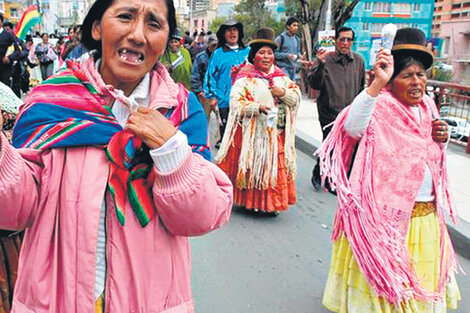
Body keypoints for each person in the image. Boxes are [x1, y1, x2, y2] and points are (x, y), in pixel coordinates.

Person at [0, 0, 233, 311]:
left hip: (151, 300)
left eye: (154, 24)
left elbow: (201, 217)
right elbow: (16, 209)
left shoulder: (181, 111)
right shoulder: (50, 102)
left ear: (165, 39)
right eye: (125, 16)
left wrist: (171, 153)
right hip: (54, 300)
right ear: (97, 28)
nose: (138, 34)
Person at [318, 28, 461, 312]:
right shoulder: (380, 104)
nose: (417, 82)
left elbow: (428, 152)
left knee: (418, 283)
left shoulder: (429, 107)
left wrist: (441, 141)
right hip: (383, 219)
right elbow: (352, 128)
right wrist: (375, 85)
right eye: (407, 75)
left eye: (421, 74)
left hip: (424, 215)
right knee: (384, 284)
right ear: (392, 80)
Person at [216, 27, 300, 215]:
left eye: (269, 53)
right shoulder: (245, 78)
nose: (266, 56)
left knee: (273, 169)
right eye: (261, 52)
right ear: (254, 55)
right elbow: (236, 103)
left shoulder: (281, 78)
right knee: (253, 167)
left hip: (275, 133)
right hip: (252, 135)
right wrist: (256, 108)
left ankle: (270, 205)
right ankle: (252, 202)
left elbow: (296, 97)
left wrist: (283, 93)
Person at [307, 26, 365, 191]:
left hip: (351, 112)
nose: (345, 43)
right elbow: (314, 84)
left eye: (349, 39)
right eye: (342, 39)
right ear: (335, 41)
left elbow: (362, 88)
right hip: (329, 111)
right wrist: (320, 63)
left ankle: (340, 177)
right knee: (331, 145)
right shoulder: (326, 58)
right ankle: (321, 175)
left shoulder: (359, 61)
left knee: (350, 147)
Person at [204, 18, 250, 144]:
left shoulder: (248, 52)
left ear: (239, 33)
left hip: (246, 101)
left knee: (244, 137)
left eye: (235, 29)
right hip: (225, 101)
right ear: (224, 34)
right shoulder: (218, 53)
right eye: (228, 30)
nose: (232, 33)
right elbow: (209, 76)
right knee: (227, 138)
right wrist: (212, 97)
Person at [191, 34, 218, 121]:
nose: (215, 47)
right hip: (205, 94)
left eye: (218, 45)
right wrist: (199, 91)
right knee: (205, 119)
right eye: (213, 45)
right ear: (208, 45)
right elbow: (195, 75)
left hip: (219, 95)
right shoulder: (200, 57)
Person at [0, 14, 20, 86]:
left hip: (5, 67)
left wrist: (9, 57)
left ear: (1, 22)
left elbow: (17, 50)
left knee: (4, 88)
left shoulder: (8, 35)